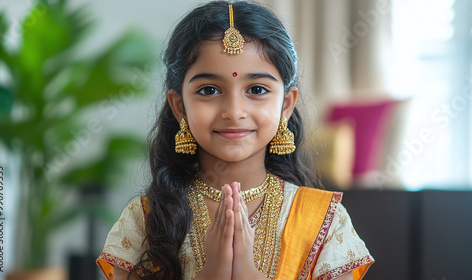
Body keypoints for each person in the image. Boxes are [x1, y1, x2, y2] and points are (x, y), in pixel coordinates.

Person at [96, 1, 374, 279]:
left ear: (286, 105)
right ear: (179, 106)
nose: (234, 112)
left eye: (256, 89)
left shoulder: (324, 221)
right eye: (209, 90)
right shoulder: (144, 222)